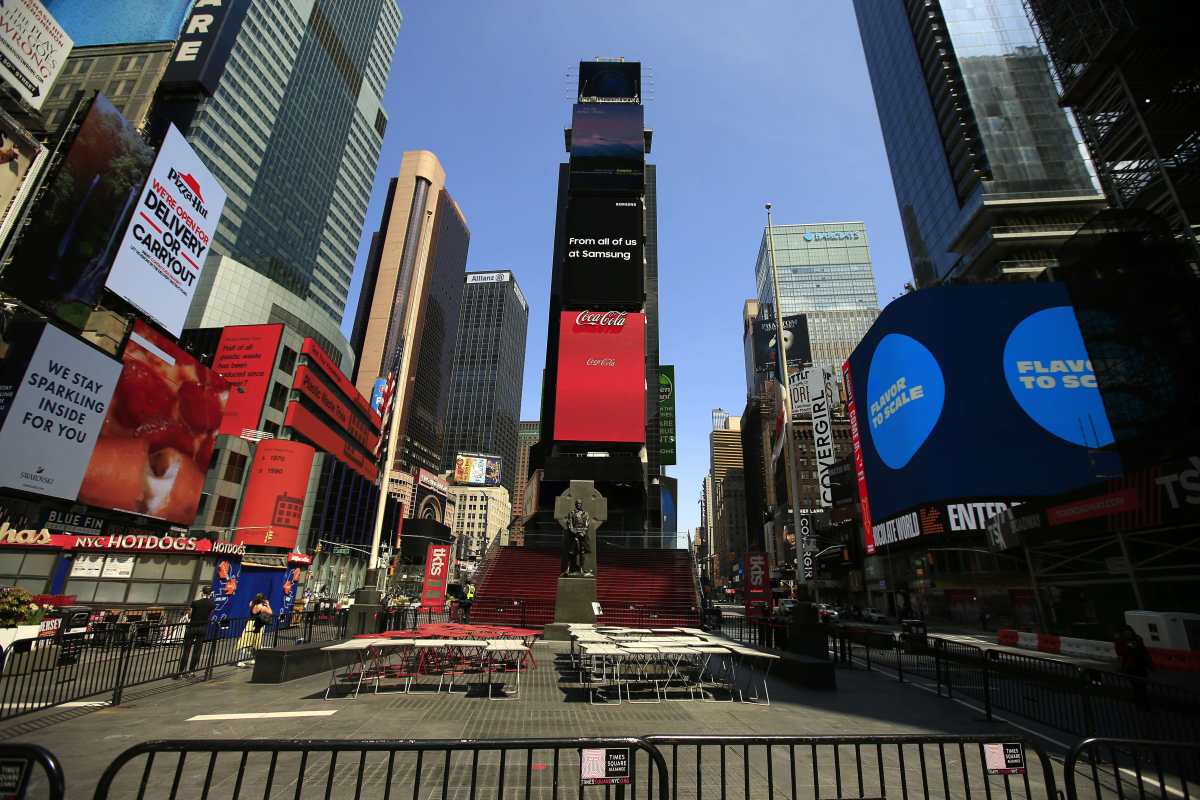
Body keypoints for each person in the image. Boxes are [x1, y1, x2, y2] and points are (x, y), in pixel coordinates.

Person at [176, 586, 215, 679]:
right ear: (210, 593)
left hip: (192, 627)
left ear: (202, 593)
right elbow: (210, 615)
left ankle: (180, 672)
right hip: (203, 628)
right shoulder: (212, 604)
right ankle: (192, 671)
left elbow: (189, 615)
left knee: (186, 650)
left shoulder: (195, 603)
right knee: (197, 650)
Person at [236, 594, 273, 667]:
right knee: (256, 642)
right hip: (258, 625)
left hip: (250, 623)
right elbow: (270, 612)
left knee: (246, 641)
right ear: (263, 599)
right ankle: (249, 659)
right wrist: (268, 605)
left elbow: (251, 605)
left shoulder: (251, 604)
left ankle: (245, 659)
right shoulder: (262, 607)